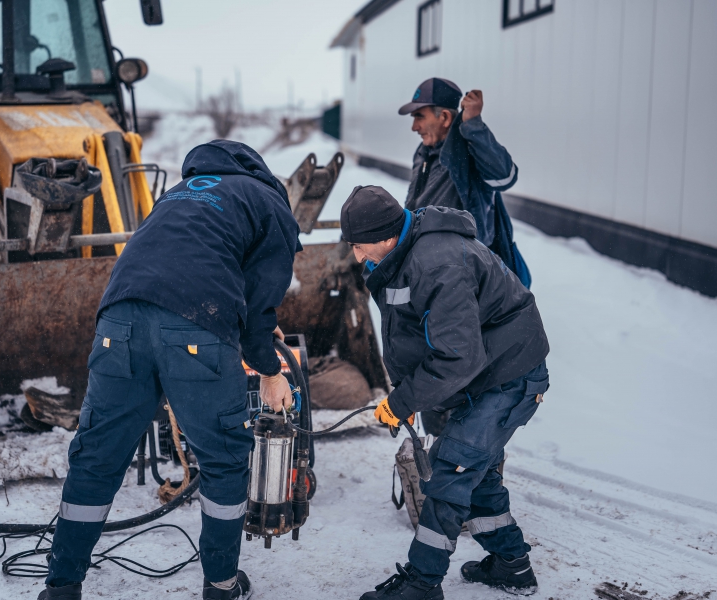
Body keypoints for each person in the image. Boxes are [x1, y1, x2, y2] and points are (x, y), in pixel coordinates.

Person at [38, 140, 302, 600]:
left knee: (97, 455)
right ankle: (221, 585)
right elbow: (261, 303)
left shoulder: (179, 193)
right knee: (222, 459)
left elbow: (182, 261)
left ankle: (61, 586)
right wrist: (269, 370)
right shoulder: (267, 200)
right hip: (196, 328)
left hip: (118, 322)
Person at [339, 186, 550, 600]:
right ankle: (512, 565)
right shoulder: (404, 253)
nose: (357, 257)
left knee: (452, 470)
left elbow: (457, 357)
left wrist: (400, 403)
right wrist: (409, 393)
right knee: (477, 473)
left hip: (510, 374)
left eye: (361, 247)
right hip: (486, 371)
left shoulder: (437, 263)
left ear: (385, 235)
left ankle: (422, 583)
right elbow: (419, 331)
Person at [400, 78, 530, 290]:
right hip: (428, 267)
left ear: (444, 117)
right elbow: (415, 205)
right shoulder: (422, 152)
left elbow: (505, 176)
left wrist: (473, 125)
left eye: (419, 117)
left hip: (464, 274)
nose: (414, 127)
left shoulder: (468, 151)